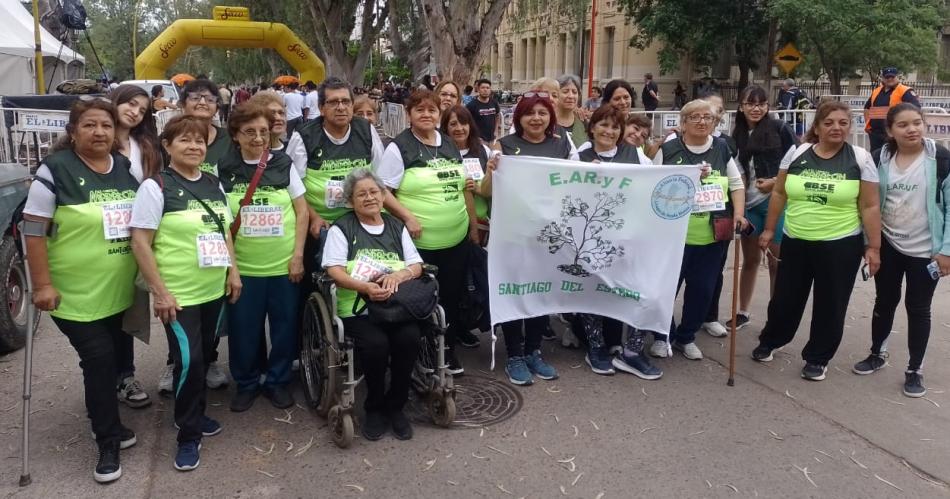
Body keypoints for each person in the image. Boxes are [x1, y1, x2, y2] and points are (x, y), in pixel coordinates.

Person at [22, 98, 140, 483]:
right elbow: (34, 230)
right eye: (89, 125)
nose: (99, 132)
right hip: (74, 294)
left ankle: (105, 417)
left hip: (120, 290)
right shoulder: (54, 170)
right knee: (100, 359)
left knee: (111, 359)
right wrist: (42, 284)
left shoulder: (122, 167)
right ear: (73, 132)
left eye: (106, 125)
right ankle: (106, 438)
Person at [130, 115, 242, 471]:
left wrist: (233, 272)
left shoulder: (213, 183)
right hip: (178, 295)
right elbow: (141, 243)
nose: (193, 146)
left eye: (199, 141)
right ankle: (188, 435)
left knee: (202, 359)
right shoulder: (156, 187)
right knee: (190, 362)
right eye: (184, 141)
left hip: (213, 290)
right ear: (167, 146)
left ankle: (189, 414)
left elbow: (225, 232)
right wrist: (160, 293)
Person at [752, 101, 882, 381]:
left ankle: (818, 357)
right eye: (829, 122)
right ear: (817, 126)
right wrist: (769, 230)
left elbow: (870, 206)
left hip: (840, 244)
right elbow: (779, 193)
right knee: (785, 298)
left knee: (831, 303)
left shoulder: (860, 158)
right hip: (796, 238)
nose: (836, 128)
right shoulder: (797, 152)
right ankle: (771, 340)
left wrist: (874, 246)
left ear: (850, 126)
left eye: (843, 123)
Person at [478, 92, 577, 385]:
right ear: (518, 118)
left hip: (549, 236)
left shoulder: (562, 145)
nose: (536, 118)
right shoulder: (505, 146)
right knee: (514, 291)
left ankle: (534, 350)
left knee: (541, 292)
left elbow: (577, 183)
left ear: (551, 117)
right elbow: (486, 191)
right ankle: (515, 354)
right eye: (529, 113)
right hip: (513, 234)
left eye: (542, 113)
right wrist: (491, 172)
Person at [851, 103, 950, 397]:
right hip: (889, 245)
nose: (912, 129)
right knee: (884, 301)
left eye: (917, 123)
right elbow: (867, 202)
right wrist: (870, 243)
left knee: (918, 309)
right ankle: (877, 354)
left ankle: (914, 369)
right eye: (904, 125)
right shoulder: (880, 157)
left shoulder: (941, 159)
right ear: (890, 131)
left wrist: (946, 250)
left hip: (925, 251)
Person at [378, 89, 478, 375]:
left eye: (432, 110)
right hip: (418, 242)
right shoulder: (399, 147)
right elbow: (384, 192)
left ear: (439, 114)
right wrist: (408, 217)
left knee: (451, 296)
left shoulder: (447, 143)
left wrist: (472, 226)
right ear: (409, 114)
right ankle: (420, 353)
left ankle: (447, 352)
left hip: (455, 239)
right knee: (420, 300)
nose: (426, 114)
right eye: (419, 110)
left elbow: (462, 187)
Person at [216, 104, 308, 411]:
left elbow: (302, 211)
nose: (258, 138)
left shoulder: (283, 163)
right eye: (250, 132)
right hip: (244, 268)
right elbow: (219, 221)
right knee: (244, 331)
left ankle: (278, 382)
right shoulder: (224, 167)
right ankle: (247, 383)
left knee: (284, 328)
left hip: (283, 267)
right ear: (235, 135)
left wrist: (297, 256)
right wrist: (231, 269)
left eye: (263, 132)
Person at [322, 169, 424, 441]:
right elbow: (334, 270)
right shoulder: (342, 228)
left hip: (398, 305)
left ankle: (396, 405)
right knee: (376, 345)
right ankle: (375, 406)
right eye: (361, 194)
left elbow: (416, 265)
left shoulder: (395, 225)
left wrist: (399, 275)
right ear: (350, 201)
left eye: (374, 192)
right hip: (358, 308)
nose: (369, 198)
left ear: (382, 196)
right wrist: (364, 287)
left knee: (410, 338)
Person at [649, 99, 747, 361]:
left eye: (708, 117)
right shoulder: (669, 150)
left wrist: (738, 213)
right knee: (666, 288)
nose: (702, 122)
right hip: (673, 237)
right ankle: (662, 336)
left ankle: (686, 336)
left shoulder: (721, 148)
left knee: (703, 290)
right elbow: (651, 187)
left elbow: (736, 185)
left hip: (712, 236)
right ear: (683, 123)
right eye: (695, 117)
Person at [572, 105, 662, 379]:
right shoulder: (579, 156)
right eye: (603, 125)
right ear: (592, 128)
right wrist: (585, 173)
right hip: (593, 239)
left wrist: (697, 174)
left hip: (632, 238)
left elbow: (659, 180)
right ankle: (596, 348)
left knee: (641, 290)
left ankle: (633, 351)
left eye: (614, 127)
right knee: (594, 292)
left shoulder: (635, 155)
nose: (609, 131)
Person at [156, 79, 233, 395]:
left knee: (208, 324)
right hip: (180, 258)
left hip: (216, 247)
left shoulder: (227, 146)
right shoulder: (161, 170)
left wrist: (233, 269)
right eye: (196, 97)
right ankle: (177, 366)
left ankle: (207, 362)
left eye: (210, 97)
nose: (203, 102)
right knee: (184, 332)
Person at [728, 85, 798, 331]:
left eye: (761, 104)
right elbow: (735, 170)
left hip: (775, 203)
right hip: (747, 204)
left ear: (768, 106)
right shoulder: (735, 134)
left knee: (776, 262)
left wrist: (776, 182)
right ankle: (743, 312)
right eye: (750, 103)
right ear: (741, 106)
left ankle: (775, 316)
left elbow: (799, 164)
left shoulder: (780, 129)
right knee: (750, 261)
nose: (756, 108)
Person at [111, 85, 163, 409]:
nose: (134, 111)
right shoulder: (97, 142)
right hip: (103, 238)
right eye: (130, 104)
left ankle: (125, 375)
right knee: (104, 314)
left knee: (130, 308)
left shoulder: (144, 145)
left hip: (139, 236)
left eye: (141, 109)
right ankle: (107, 374)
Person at [442, 105, 492, 342]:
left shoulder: (482, 151)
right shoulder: (439, 151)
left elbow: (495, 187)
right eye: (453, 124)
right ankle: (454, 328)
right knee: (457, 281)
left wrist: (480, 189)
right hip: (452, 224)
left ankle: (468, 324)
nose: (459, 128)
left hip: (481, 227)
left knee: (474, 277)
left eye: (463, 123)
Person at [864, 68, 921, 153]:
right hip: (875, 133)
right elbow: (867, 108)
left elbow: (915, 109)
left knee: (893, 157)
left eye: (892, 77)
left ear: (897, 77)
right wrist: (868, 124)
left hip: (893, 133)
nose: (890, 79)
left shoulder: (905, 91)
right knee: (875, 158)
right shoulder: (877, 91)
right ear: (883, 78)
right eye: (887, 77)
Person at [555, 74, 587, 147]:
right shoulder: (547, 121)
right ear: (556, 94)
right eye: (565, 91)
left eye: (574, 92)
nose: (571, 96)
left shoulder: (582, 121)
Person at [466, 78, 502, 143]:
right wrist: (473, 136)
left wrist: (496, 130)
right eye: (483, 88)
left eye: (487, 88)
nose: (485, 90)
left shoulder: (494, 103)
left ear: (490, 90)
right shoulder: (471, 105)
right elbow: (466, 122)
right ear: (478, 89)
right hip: (478, 140)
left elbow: (497, 115)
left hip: (492, 139)